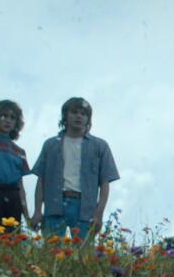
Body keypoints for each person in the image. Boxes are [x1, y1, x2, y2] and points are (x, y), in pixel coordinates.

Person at [29, 97, 119, 241]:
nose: (79, 116)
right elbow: (41, 180)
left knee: (83, 250)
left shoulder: (99, 146)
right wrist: (38, 210)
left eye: (83, 114)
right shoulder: (51, 145)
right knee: (53, 249)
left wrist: (99, 214)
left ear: (88, 119)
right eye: (74, 112)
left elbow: (105, 182)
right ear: (65, 116)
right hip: (55, 204)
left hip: (84, 207)